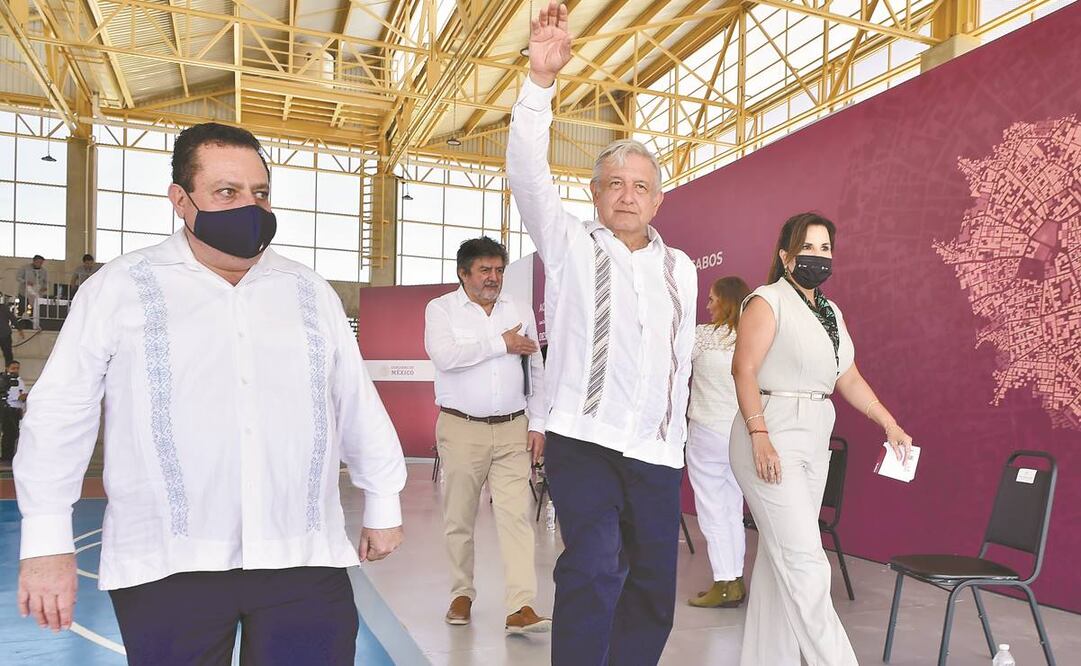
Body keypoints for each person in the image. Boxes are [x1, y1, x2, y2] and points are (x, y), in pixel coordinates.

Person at [13, 122, 408, 664]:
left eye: (260, 192)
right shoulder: (121, 287)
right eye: (227, 191)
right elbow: (61, 411)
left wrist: (383, 498)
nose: (250, 206)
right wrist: (46, 541)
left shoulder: (309, 291)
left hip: (301, 554)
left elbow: (354, 400)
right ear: (181, 200)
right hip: (167, 562)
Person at [507, 5, 698, 664]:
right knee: (591, 567)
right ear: (594, 193)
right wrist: (540, 81)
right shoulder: (568, 244)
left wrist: (678, 439)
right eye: (614, 184)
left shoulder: (679, 268)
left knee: (652, 588)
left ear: (657, 200)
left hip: (655, 451)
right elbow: (526, 175)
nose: (626, 195)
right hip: (584, 440)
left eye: (640, 186)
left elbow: (679, 361)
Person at [730, 212, 914, 665]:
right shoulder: (767, 301)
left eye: (825, 248)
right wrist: (759, 435)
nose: (818, 256)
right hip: (771, 429)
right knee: (806, 564)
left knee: (781, 563)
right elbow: (744, 369)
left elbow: (847, 376)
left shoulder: (831, 313)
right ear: (785, 256)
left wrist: (888, 422)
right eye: (807, 248)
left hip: (815, 436)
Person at [424, 236, 551, 634]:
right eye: (484, 270)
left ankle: (521, 606)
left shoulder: (518, 309)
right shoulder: (441, 309)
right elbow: (445, 357)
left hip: (513, 429)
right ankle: (461, 593)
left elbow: (536, 369)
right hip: (461, 429)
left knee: (516, 518)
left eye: (498, 270)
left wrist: (538, 423)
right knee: (459, 517)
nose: (493, 277)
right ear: (464, 273)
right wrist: (501, 344)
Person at [686, 276, 751, 609]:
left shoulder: (701, 336)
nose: (708, 305)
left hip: (705, 432)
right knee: (732, 509)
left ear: (726, 301)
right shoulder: (753, 339)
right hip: (741, 434)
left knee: (712, 508)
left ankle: (725, 581)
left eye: (712, 299)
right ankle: (735, 579)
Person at [0, 360, 27, 466]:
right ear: (7, 368)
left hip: (17, 410)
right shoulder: (4, 380)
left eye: (17, 368)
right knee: (8, 433)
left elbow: (23, 394)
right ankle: (6, 457)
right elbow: (16, 396)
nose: (15, 370)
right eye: (13, 368)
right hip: (8, 409)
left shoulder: (20, 381)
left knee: (14, 434)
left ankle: (10, 456)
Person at [0, 302, 21, 367]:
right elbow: (12, 318)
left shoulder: (3, 308)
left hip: (4, 334)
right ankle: (9, 370)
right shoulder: (4, 307)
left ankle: (9, 369)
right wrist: (19, 329)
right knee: (8, 355)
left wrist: (19, 328)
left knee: (8, 355)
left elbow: (12, 318)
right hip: (5, 334)